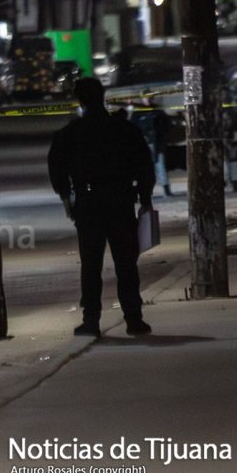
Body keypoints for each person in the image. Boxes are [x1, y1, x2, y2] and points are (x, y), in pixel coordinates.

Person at [48, 78, 156, 337]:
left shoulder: (70, 133)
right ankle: (133, 318)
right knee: (126, 263)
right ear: (103, 96)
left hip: (89, 204)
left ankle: (91, 320)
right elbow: (144, 166)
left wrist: (67, 199)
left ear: (80, 100)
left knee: (91, 265)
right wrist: (145, 198)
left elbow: (57, 170)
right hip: (120, 201)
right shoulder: (124, 129)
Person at [130, 93, 173, 196]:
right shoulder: (138, 112)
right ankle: (144, 191)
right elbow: (132, 128)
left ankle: (166, 189)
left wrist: (163, 139)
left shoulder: (157, 111)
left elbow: (166, 125)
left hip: (157, 143)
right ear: (142, 99)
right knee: (145, 169)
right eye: (145, 98)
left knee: (160, 166)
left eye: (149, 97)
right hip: (145, 144)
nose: (148, 99)